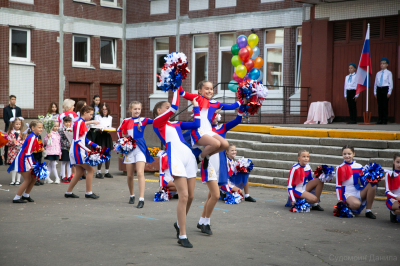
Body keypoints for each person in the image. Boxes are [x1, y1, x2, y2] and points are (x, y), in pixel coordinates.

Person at [152, 89, 200, 248]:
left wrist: (196, 106)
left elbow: (196, 124)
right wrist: (176, 90)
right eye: (165, 107)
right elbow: (174, 107)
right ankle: (182, 234)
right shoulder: (157, 123)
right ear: (159, 111)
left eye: (168, 107)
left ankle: (179, 223)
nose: (169, 109)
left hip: (188, 156)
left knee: (191, 196)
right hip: (176, 158)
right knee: (184, 196)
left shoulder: (176, 123)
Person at [179, 81, 242, 169]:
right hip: (199, 130)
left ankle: (207, 156)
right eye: (207, 89)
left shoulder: (215, 103)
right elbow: (182, 93)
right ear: (200, 91)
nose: (209, 91)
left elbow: (232, 106)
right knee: (216, 143)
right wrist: (178, 82)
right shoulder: (197, 98)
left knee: (225, 144)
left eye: (211, 89)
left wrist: (243, 100)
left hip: (208, 130)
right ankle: (200, 159)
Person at [117, 101, 154, 208]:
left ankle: (141, 199)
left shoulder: (143, 120)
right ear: (130, 110)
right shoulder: (126, 120)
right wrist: (123, 141)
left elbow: (155, 121)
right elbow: (119, 131)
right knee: (129, 175)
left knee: (140, 173)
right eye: (135, 109)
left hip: (140, 148)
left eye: (139, 109)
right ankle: (132, 195)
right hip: (129, 149)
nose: (137, 111)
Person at [65, 106, 101, 199]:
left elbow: (83, 138)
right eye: (90, 114)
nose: (91, 116)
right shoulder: (79, 123)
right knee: (91, 170)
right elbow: (76, 140)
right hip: (77, 151)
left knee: (79, 172)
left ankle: (68, 192)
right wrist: (87, 149)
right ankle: (88, 192)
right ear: (84, 112)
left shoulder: (81, 123)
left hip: (78, 150)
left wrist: (95, 145)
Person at [336, 145, 376, 219]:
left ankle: (368, 211)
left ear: (353, 154)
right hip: (347, 193)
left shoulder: (359, 166)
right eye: (344, 154)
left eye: (349, 154)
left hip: (358, 191)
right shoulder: (339, 168)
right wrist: (339, 200)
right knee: (356, 205)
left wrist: (372, 178)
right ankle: (346, 205)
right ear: (342, 155)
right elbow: (338, 185)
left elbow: (363, 182)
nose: (347, 156)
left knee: (373, 184)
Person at [8, 120, 43, 203]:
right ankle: (16, 198)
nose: (41, 129)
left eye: (42, 127)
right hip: (23, 159)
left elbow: (33, 149)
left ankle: (26, 195)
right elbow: (27, 153)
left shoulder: (35, 136)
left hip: (28, 158)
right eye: (39, 127)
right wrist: (31, 165)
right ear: (33, 128)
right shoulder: (32, 137)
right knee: (27, 179)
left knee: (34, 177)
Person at [95, 102, 113, 179]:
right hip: (100, 136)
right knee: (100, 153)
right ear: (101, 110)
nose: (105, 111)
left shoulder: (110, 117)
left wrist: (109, 129)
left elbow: (110, 126)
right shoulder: (97, 117)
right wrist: (99, 129)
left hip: (107, 136)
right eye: (103, 109)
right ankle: (98, 172)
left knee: (107, 153)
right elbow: (95, 127)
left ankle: (107, 172)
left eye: (106, 109)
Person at [6, 117, 26, 186]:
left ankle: (18, 180)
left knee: (19, 166)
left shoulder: (23, 133)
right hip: (12, 152)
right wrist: (11, 141)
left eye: (19, 124)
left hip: (20, 151)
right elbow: (6, 143)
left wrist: (16, 143)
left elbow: (24, 142)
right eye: (16, 124)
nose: (18, 126)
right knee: (13, 166)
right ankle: (13, 180)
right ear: (13, 124)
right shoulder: (9, 132)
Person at [3, 95, 22, 164]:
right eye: (12, 99)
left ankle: (17, 158)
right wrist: (12, 125)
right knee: (7, 143)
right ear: (9, 100)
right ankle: (6, 159)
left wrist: (17, 125)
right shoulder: (6, 109)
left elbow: (20, 118)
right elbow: (5, 119)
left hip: (17, 128)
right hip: (9, 127)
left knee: (17, 142)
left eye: (14, 99)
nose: (13, 101)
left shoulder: (18, 109)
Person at [374, 57, 393, 124]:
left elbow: (390, 83)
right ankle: (380, 119)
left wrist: (389, 92)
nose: (382, 65)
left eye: (384, 64)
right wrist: (375, 92)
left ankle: (384, 119)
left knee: (384, 105)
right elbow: (375, 83)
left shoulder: (389, 73)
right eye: (381, 63)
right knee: (380, 105)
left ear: (387, 65)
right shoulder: (378, 73)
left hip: (385, 89)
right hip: (379, 89)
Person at [385, 153, 400, 223]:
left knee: (398, 211)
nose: (399, 165)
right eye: (398, 162)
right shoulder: (389, 174)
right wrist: (397, 197)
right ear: (393, 161)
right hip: (393, 199)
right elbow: (387, 191)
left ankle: (394, 212)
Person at [59, 116, 72, 183]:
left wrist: (71, 144)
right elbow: (60, 139)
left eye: (69, 122)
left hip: (70, 148)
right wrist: (67, 144)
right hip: (64, 148)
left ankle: (69, 176)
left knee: (69, 162)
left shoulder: (71, 129)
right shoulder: (61, 130)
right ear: (63, 122)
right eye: (66, 122)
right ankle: (63, 176)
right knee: (64, 162)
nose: (67, 123)